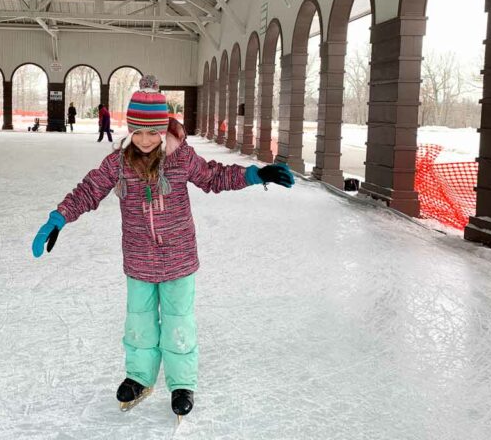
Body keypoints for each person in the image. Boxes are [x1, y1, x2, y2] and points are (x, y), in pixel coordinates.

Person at [31, 74, 295, 421]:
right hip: (139, 261)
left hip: (179, 259)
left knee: (178, 322)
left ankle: (182, 382)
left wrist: (254, 175)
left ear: (163, 129)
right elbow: (89, 190)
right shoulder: (119, 164)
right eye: (137, 131)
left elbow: (214, 176)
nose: (143, 140)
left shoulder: (181, 158)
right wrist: (59, 217)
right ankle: (140, 377)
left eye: (151, 132)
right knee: (138, 323)